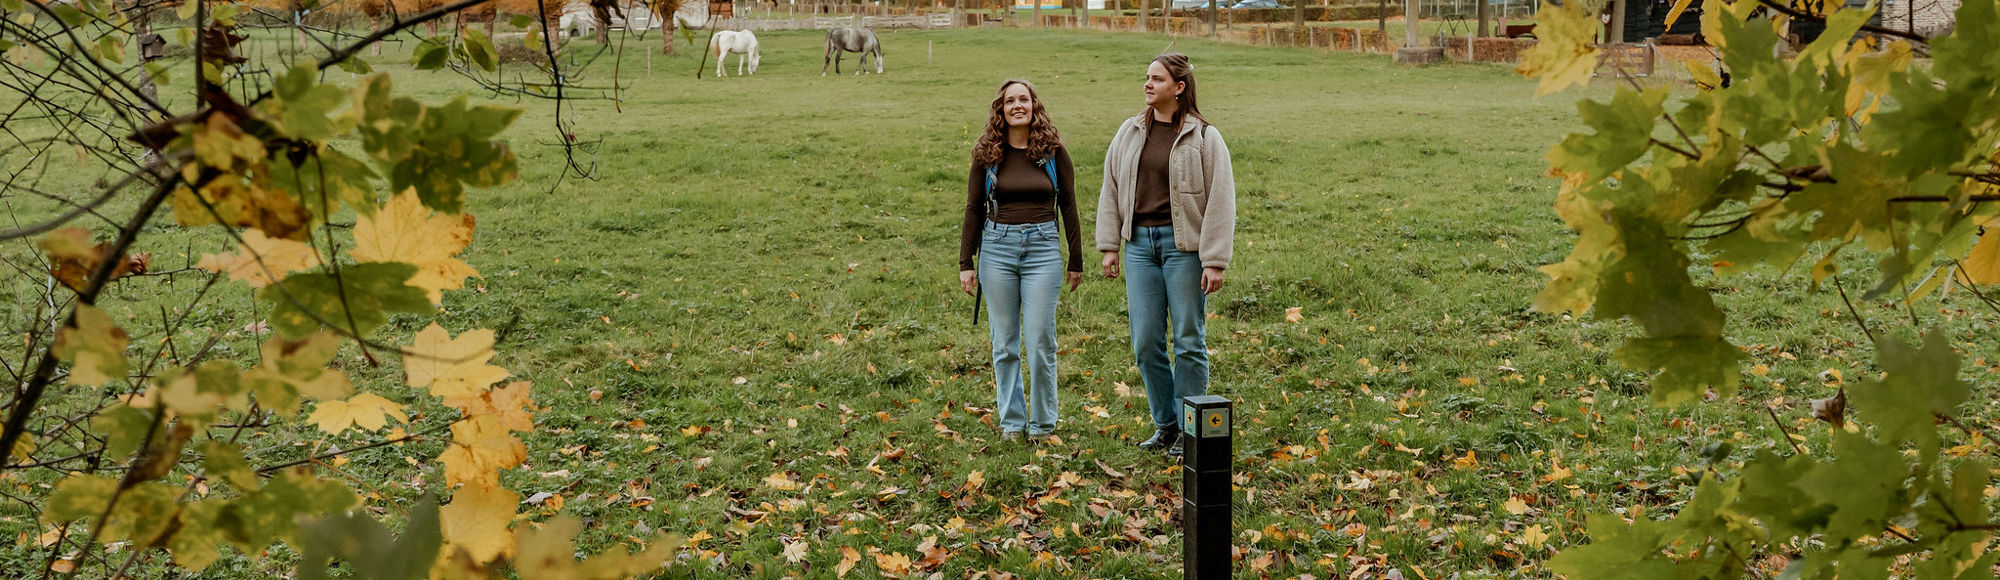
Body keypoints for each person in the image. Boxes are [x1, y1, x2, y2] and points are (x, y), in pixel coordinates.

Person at [1095, 53, 1236, 457]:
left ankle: (1190, 431)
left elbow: (1221, 201)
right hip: (1139, 247)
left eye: (1157, 78)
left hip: (1184, 252)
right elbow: (1110, 187)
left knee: (1189, 340)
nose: (1148, 84)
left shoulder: (1205, 137)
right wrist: (1110, 245)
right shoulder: (1129, 131)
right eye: (1146, 77)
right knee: (1145, 341)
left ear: (1179, 87)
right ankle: (1166, 425)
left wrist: (1214, 259)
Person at [959, 79, 1084, 443]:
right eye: (1010, 100)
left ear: (1033, 105)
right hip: (997, 249)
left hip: (1043, 248)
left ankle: (1043, 424)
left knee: (1041, 338)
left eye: (1024, 99)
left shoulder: (1052, 151)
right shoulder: (987, 153)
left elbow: (1069, 205)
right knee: (1004, 342)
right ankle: (1012, 423)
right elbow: (972, 208)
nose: (1017, 105)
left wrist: (1076, 258)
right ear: (1001, 108)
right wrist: (966, 262)